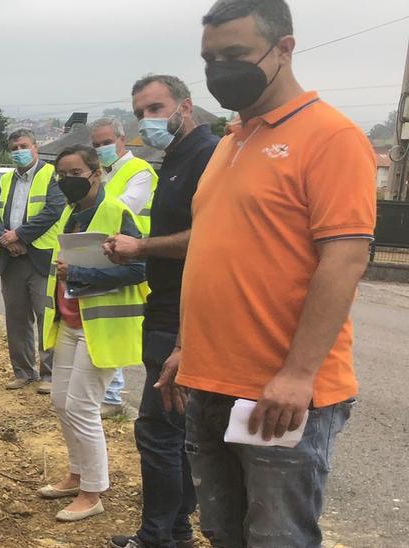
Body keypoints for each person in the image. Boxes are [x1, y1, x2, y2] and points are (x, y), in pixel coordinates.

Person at [169, 1, 375, 545]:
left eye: (234, 54)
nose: (219, 70)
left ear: (284, 48)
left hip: (278, 396)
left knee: (277, 538)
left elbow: (345, 258)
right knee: (221, 533)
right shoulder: (231, 141)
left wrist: (298, 374)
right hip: (209, 381)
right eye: (209, 58)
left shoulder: (330, 136)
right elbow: (221, 254)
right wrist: (187, 348)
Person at [102, 74, 220, 548]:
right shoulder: (172, 159)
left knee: (158, 431)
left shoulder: (207, 157)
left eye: (155, 108)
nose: (146, 120)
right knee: (174, 429)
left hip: (183, 315)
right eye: (140, 112)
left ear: (185, 106)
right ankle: (174, 532)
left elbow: (210, 236)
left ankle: (158, 537)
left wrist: (142, 246)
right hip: (166, 304)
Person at [38, 145, 147, 522]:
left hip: (102, 326)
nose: (67, 181)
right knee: (60, 402)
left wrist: (84, 276)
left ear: (95, 173)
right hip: (70, 322)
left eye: (75, 173)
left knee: (83, 406)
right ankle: (76, 473)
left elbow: (140, 269)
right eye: (61, 175)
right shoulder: (73, 214)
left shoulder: (117, 212)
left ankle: (93, 491)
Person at [0, 130, 67, 393]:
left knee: (46, 318)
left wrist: (19, 236)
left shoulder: (52, 175)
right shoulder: (7, 179)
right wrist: (5, 239)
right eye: (15, 147)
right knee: (17, 319)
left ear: (35, 147)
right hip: (11, 259)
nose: (19, 151)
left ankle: (49, 375)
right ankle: (23, 372)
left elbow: (53, 211)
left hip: (41, 258)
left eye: (24, 146)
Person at [88, 117, 158, 417]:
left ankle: (114, 397)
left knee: (123, 323)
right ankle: (110, 394)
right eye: (97, 145)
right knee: (106, 321)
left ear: (121, 140)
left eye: (106, 142)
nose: (102, 149)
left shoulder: (139, 170)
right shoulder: (105, 174)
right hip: (106, 252)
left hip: (134, 256)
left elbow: (122, 208)